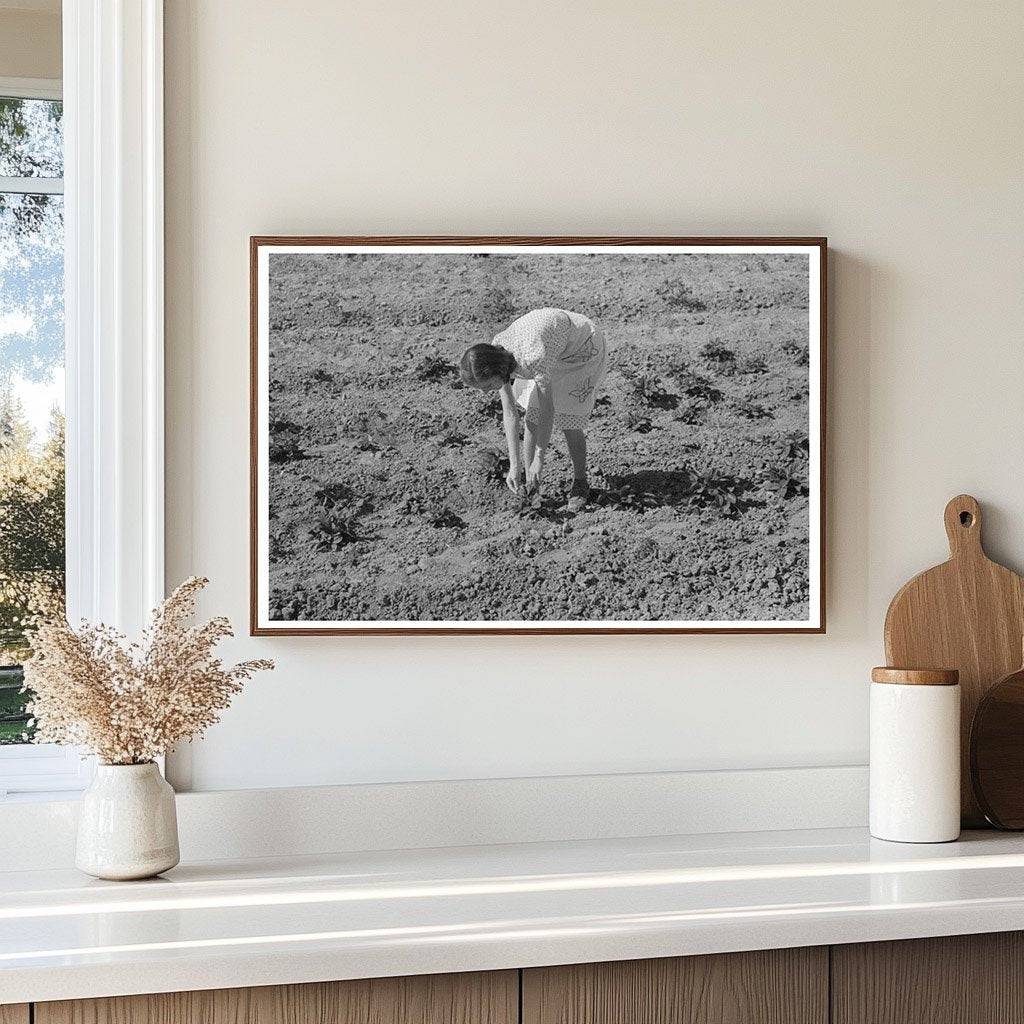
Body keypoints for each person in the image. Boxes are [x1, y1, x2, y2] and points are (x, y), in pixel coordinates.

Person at [459, 308, 608, 510]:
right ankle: (531, 485)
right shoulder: (496, 352)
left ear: (496, 371)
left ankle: (581, 482)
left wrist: (539, 457)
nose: (485, 392)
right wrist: (514, 466)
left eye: (486, 386)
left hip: (580, 349)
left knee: (568, 420)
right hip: (550, 349)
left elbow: (549, 410)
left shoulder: (533, 357)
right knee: (532, 416)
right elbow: (510, 414)